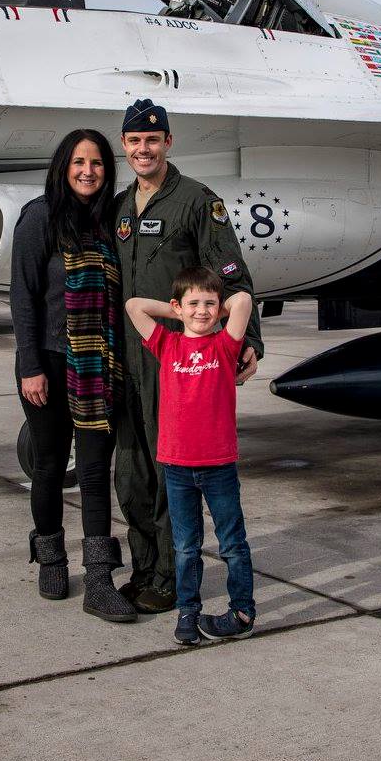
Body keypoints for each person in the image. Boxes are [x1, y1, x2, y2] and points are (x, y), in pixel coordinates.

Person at [111, 98, 262, 613]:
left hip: (175, 364)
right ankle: (144, 569)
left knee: (164, 469)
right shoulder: (118, 206)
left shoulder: (197, 200)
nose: (143, 148)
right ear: (125, 146)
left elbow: (231, 274)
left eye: (152, 140)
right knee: (131, 472)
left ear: (168, 143)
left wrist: (250, 342)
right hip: (127, 358)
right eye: (134, 141)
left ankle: (170, 579)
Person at [9, 128, 137, 623]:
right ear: (64, 166)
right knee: (48, 466)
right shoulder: (40, 217)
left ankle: (100, 581)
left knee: (92, 472)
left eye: (98, 164)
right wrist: (30, 367)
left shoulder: (112, 221)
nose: (88, 171)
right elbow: (23, 296)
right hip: (49, 359)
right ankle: (52, 560)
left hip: (97, 366)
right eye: (79, 162)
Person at [127, 267, 256, 644]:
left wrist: (217, 311)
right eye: (194, 304)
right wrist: (179, 312)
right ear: (177, 307)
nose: (202, 310)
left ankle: (242, 611)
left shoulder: (225, 344)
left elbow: (244, 299)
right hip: (178, 466)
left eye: (210, 304)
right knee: (186, 547)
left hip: (218, 466)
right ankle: (188, 613)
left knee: (232, 543)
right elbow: (135, 306)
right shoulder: (167, 345)